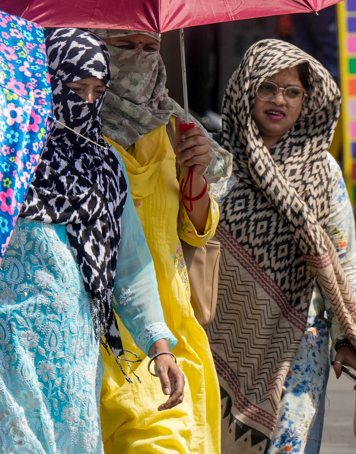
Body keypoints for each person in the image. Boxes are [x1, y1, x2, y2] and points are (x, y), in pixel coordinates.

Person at [0, 28, 184, 454]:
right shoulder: (2, 156)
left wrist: (158, 345)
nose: (87, 103)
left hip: (73, 355)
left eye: (98, 91)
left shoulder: (106, 166)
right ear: (45, 83)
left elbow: (129, 264)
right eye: (76, 88)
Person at [206, 39, 356, 454]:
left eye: (292, 92)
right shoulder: (216, 161)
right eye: (267, 87)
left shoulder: (322, 170)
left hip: (300, 343)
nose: (278, 100)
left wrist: (347, 338)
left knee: (289, 443)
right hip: (221, 335)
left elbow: (342, 264)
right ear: (246, 90)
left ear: (308, 98)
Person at [92, 29, 229, 454]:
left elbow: (196, 231)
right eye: (123, 44)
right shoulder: (76, 128)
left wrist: (196, 177)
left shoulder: (175, 128)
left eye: (149, 47)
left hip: (169, 319)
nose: (139, 57)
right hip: (103, 324)